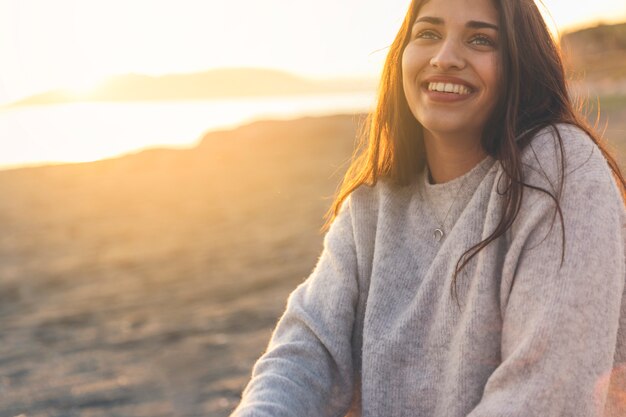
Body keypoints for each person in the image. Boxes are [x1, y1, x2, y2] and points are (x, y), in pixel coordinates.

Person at [231, 0, 626, 415]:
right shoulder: (373, 205)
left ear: (519, 64)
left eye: (480, 39)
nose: (445, 58)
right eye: (428, 34)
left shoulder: (562, 171)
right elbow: (306, 349)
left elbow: (544, 395)